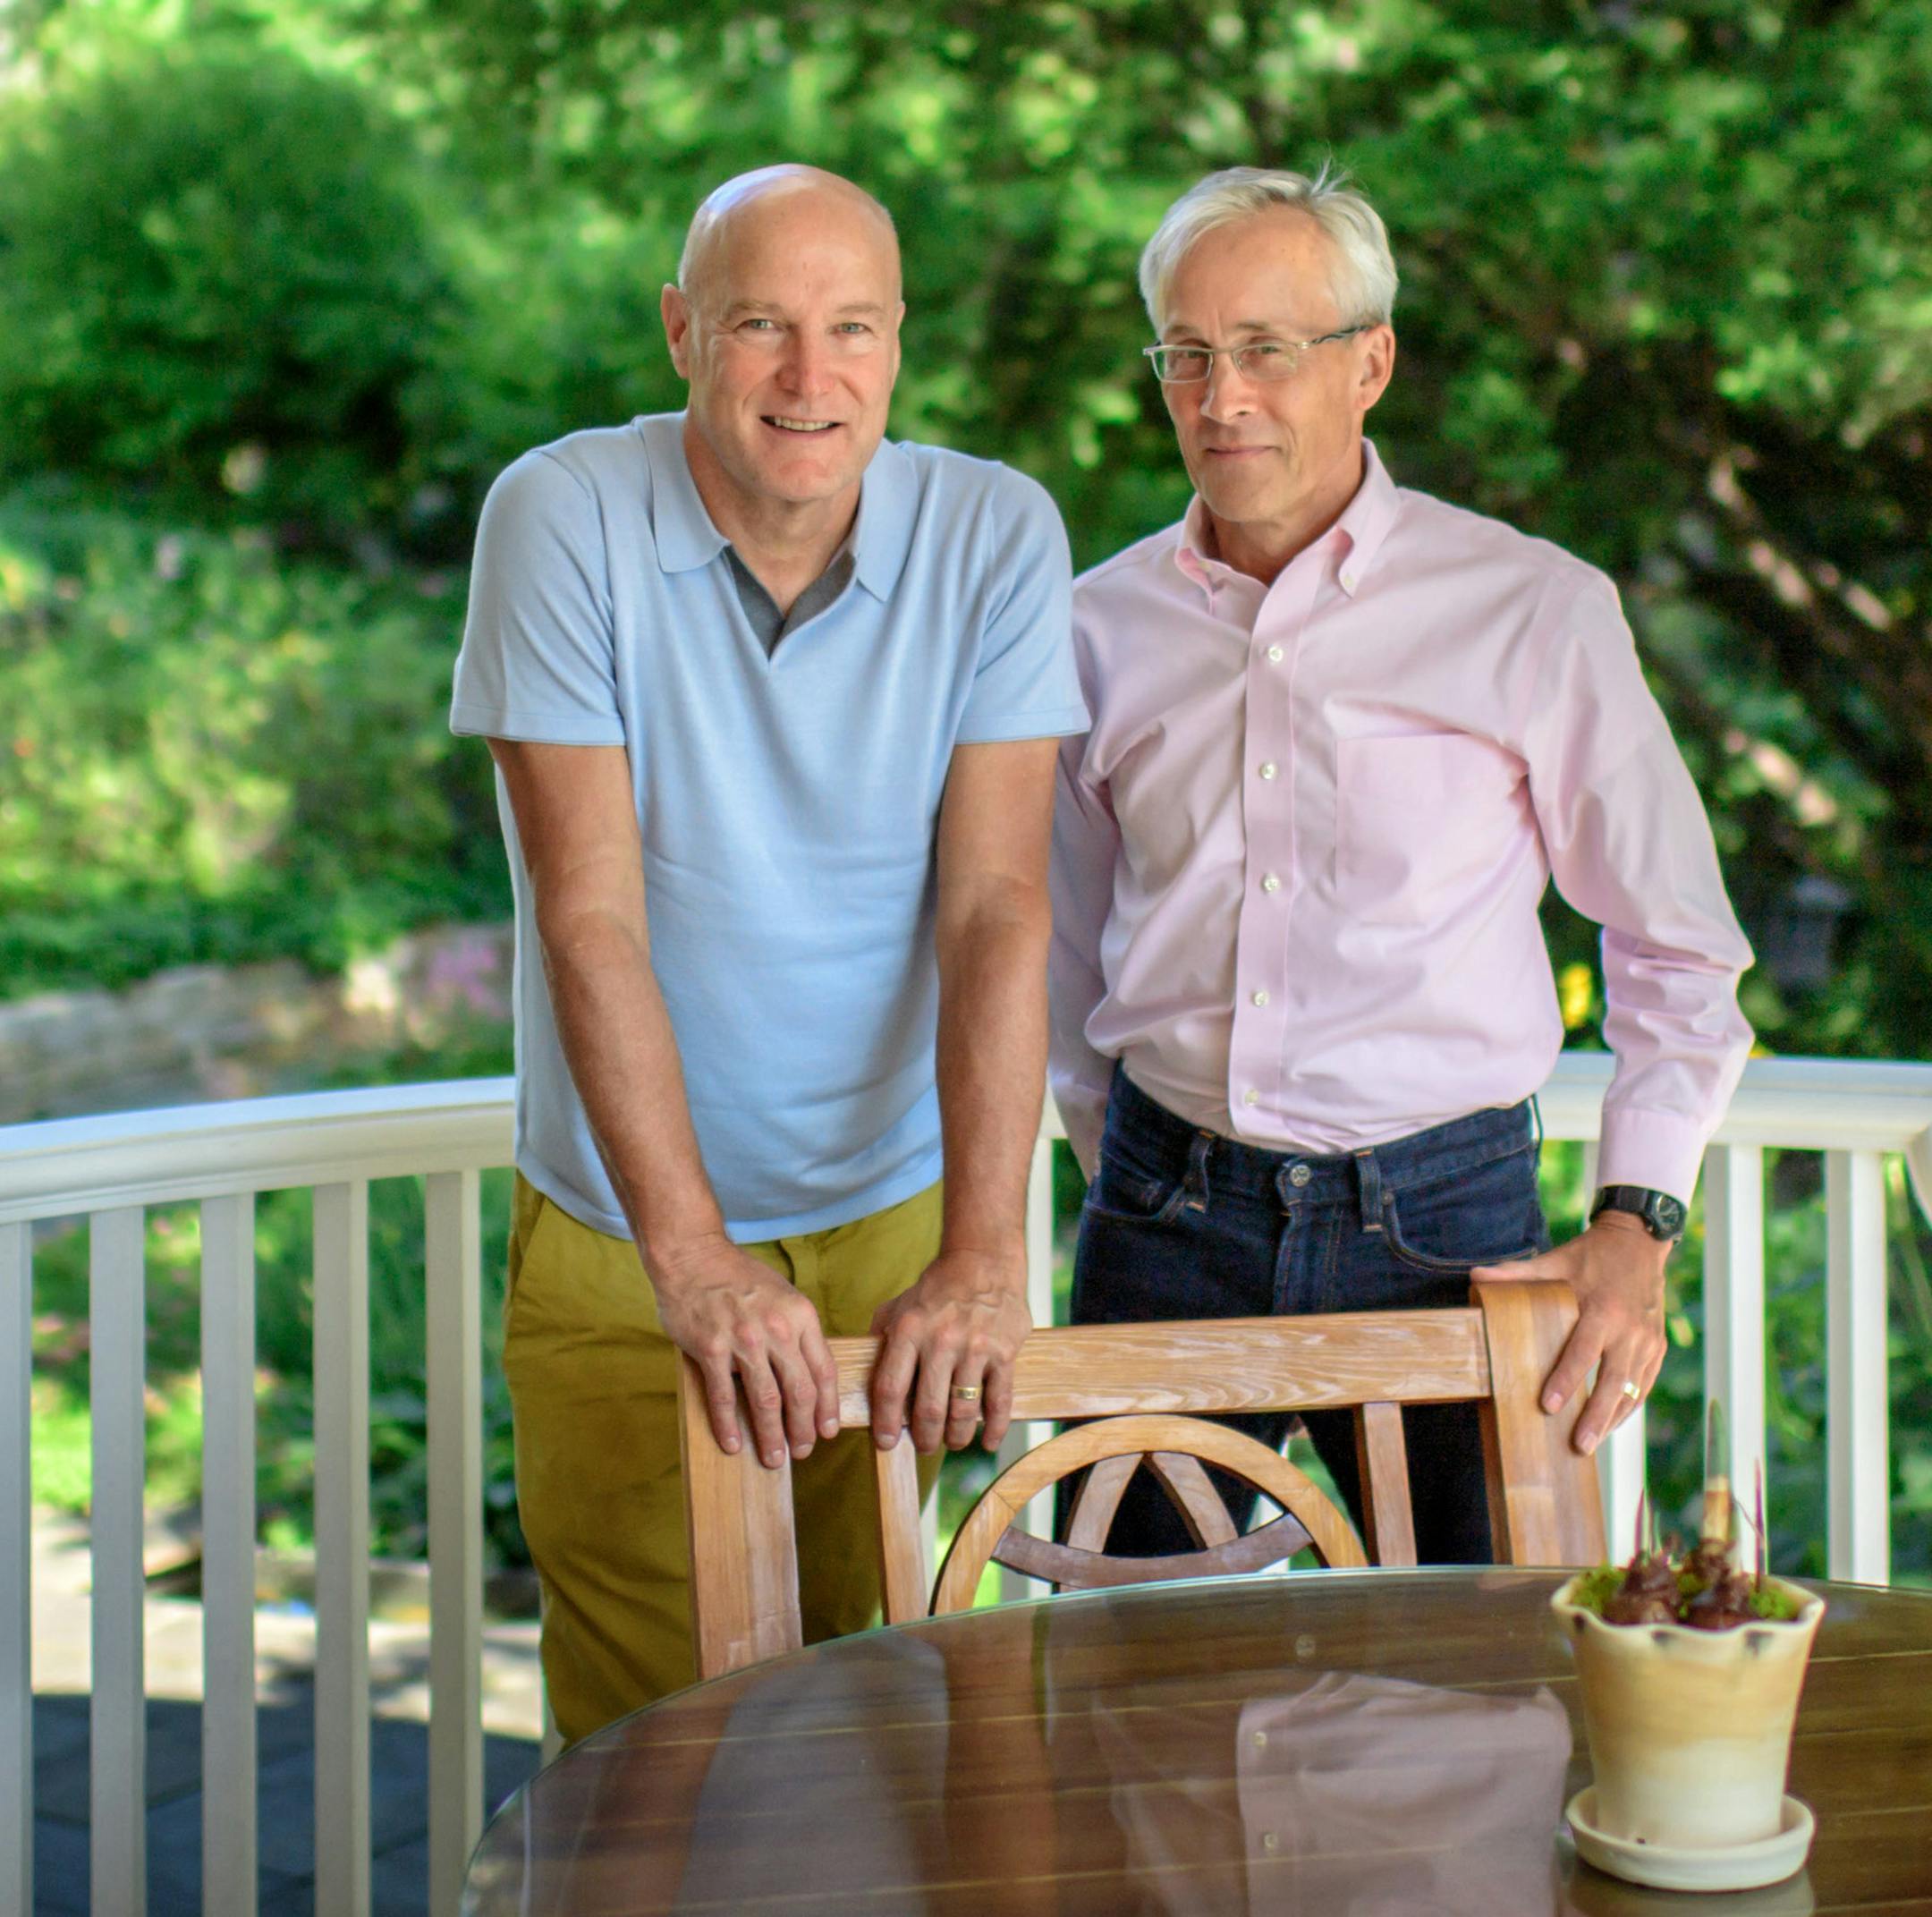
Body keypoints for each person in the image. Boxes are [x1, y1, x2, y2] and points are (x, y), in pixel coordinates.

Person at [451, 164, 1086, 1735]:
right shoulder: (561, 516)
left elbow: (998, 905)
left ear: (897, 346)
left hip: (896, 1224)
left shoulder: (999, 529)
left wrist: (989, 1256)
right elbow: (586, 912)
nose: (811, 378)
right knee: (644, 1745)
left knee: (863, 1698)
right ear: (681, 332)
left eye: (851, 327)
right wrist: (695, 1264)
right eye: (761, 326)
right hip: (627, 1231)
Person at [1047, 165, 1752, 1564]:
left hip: (1453, 1239)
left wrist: (1638, 1222)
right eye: (1186, 354)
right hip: (1163, 1225)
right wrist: (1112, 1159)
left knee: (1483, 1704)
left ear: (1370, 363)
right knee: (1128, 1705)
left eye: (1265, 349)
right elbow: (1063, 948)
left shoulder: (1533, 609)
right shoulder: (1091, 629)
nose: (1220, 395)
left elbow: (1677, 941)